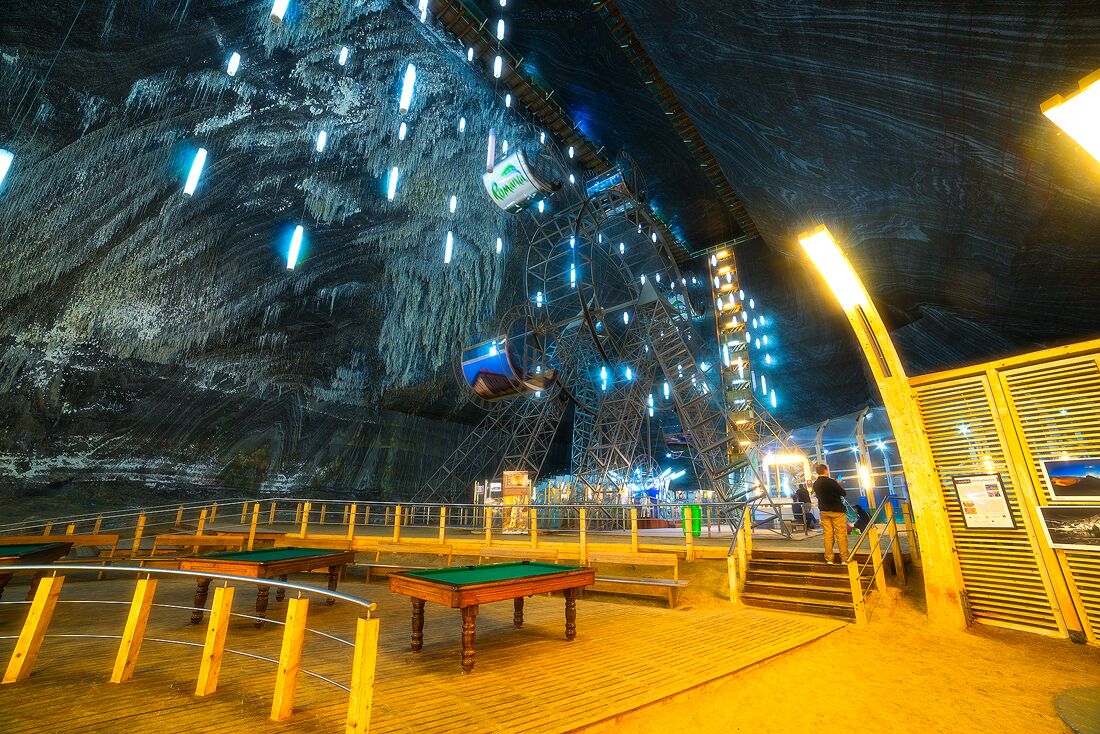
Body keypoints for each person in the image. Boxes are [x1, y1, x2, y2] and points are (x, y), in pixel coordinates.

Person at [812, 463, 849, 564]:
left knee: (828, 535)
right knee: (841, 535)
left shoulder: (816, 484)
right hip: (837, 511)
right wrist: (839, 484)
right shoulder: (831, 482)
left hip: (824, 511)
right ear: (825, 470)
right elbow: (843, 493)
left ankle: (829, 559)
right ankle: (844, 559)